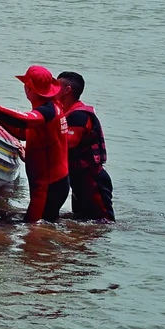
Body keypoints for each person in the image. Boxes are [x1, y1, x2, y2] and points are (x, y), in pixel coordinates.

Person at [0, 65, 69, 223]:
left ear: (29, 88)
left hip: (48, 185)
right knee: (42, 227)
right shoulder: (53, 106)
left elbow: (24, 121)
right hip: (54, 182)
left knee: (34, 226)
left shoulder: (47, 112)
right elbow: (22, 132)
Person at [57, 71, 115, 222]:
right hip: (80, 177)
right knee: (82, 220)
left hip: (92, 179)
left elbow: (69, 144)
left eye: (55, 86)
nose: (52, 90)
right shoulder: (69, 113)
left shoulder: (79, 116)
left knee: (102, 222)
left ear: (67, 90)